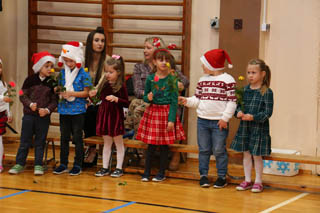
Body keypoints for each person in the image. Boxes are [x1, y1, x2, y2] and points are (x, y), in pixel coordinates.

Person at [124, 36, 189, 170]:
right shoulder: (139, 67)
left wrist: (178, 85)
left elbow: (185, 82)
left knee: (165, 108)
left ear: (157, 50)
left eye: (148, 47)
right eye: (144, 47)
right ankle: (143, 150)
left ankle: (161, 152)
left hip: (166, 102)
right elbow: (137, 90)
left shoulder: (168, 66)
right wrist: (151, 95)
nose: (144, 50)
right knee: (136, 105)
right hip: (148, 99)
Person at [179, 49, 236, 188]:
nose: (202, 67)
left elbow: (232, 102)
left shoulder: (228, 80)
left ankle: (221, 176)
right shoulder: (202, 80)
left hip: (219, 122)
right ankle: (203, 175)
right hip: (202, 121)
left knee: (218, 150)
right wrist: (186, 101)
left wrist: (225, 118)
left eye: (204, 64)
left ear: (213, 64)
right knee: (203, 149)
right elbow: (198, 99)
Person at [137, 49, 186, 182]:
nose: (164, 62)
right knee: (151, 145)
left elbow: (175, 101)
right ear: (154, 62)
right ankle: (147, 172)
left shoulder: (172, 80)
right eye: (160, 60)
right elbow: (146, 98)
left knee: (165, 145)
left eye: (166, 60)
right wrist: (148, 97)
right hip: (153, 113)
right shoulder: (150, 79)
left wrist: (171, 120)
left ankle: (161, 173)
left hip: (166, 113)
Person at [8, 52, 57, 175]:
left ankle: (38, 165)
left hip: (43, 118)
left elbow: (54, 101)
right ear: (39, 67)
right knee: (25, 141)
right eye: (47, 66)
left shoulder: (52, 83)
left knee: (40, 142)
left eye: (51, 66)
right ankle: (19, 163)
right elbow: (22, 95)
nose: (50, 69)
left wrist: (47, 110)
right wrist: (30, 104)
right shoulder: (30, 80)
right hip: (29, 116)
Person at [230, 59, 273, 193]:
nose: (250, 75)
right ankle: (247, 180)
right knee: (246, 154)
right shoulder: (244, 90)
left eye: (254, 72)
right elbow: (236, 107)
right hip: (245, 128)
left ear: (263, 74)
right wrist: (238, 113)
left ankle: (258, 181)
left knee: (257, 155)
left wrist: (253, 117)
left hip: (259, 129)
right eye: (248, 72)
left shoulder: (267, 92)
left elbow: (268, 113)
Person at [53, 41, 92, 176]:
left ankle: (77, 164)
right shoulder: (62, 73)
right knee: (64, 137)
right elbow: (58, 87)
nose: (69, 64)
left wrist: (72, 93)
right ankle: (63, 163)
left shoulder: (84, 74)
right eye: (66, 61)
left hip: (78, 110)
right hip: (64, 109)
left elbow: (87, 92)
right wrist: (58, 90)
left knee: (77, 137)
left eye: (71, 61)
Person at [93, 55, 129, 177]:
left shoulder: (121, 86)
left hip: (115, 116)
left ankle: (118, 168)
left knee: (118, 143)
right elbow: (97, 99)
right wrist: (92, 95)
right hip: (104, 115)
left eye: (111, 72)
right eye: (106, 71)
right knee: (106, 143)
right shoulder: (104, 84)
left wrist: (116, 98)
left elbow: (126, 102)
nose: (107, 74)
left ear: (118, 72)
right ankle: (104, 167)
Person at [83, 26, 107, 167]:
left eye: (102, 41)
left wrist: (93, 97)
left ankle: (92, 150)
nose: (100, 44)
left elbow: (106, 85)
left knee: (92, 111)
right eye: (96, 40)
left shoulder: (108, 61)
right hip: (84, 98)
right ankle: (84, 148)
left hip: (102, 100)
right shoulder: (83, 60)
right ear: (90, 42)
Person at [0, 58, 13, 173]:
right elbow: (3, 98)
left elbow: (6, 101)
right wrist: (2, 98)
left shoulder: (3, 84)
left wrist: (9, 113)